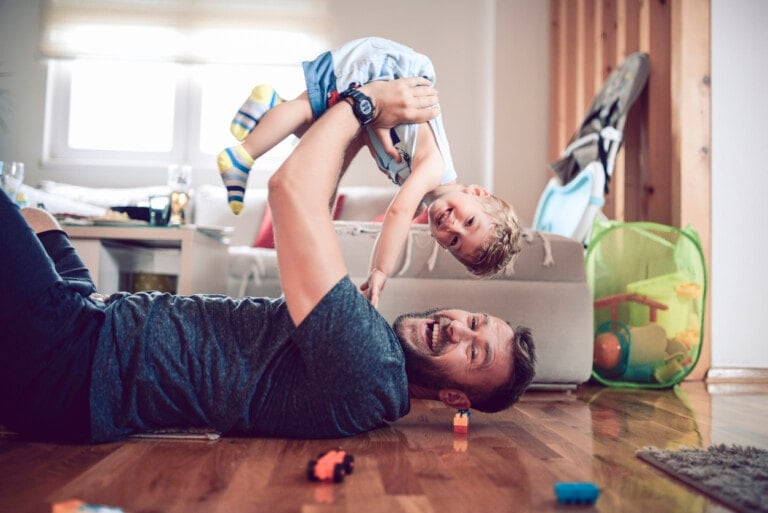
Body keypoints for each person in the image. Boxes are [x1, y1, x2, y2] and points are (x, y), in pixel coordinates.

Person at [0, 78, 536, 444]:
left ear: (453, 396)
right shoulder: (374, 363)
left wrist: (363, 102)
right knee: (36, 217)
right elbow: (314, 215)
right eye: (475, 322)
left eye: (475, 352)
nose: (459, 330)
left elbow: (288, 189)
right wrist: (343, 142)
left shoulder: (370, 366)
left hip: (77, 361)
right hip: (96, 322)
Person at [217, 37, 522, 307]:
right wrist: (379, 271)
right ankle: (242, 156)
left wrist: (380, 130)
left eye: (453, 240)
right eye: (469, 220)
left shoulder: (421, 181)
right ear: (477, 192)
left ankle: (270, 106)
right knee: (313, 111)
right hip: (381, 69)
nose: (452, 225)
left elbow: (366, 135)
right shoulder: (434, 169)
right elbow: (398, 213)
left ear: (441, 244)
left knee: (318, 128)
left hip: (379, 79)